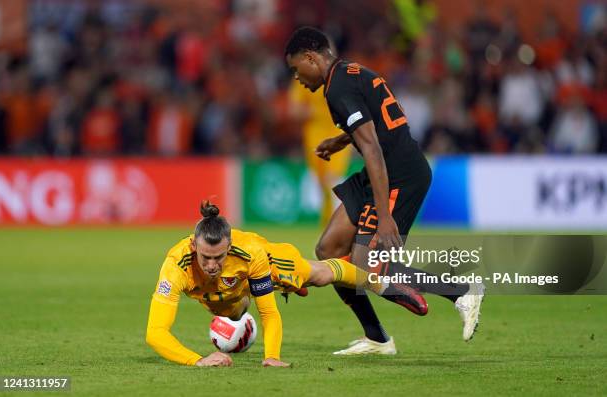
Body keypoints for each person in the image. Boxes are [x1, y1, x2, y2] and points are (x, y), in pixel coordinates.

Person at [284, 27, 485, 355]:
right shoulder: (352, 71)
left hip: (398, 176)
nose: (296, 78)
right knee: (330, 249)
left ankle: (462, 291)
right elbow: (376, 121)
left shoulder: (337, 90)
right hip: (381, 172)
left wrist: (385, 216)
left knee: (368, 265)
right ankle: (377, 338)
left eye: (296, 69)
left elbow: (373, 148)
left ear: (310, 57)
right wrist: (340, 140)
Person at [146, 202, 427, 366]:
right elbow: (155, 333)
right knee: (229, 310)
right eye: (205, 257)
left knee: (319, 275)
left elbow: (268, 312)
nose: (211, 265)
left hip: (271, 263)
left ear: (229, 247)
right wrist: (198, 360)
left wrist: (272, 356)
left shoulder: (252, 252)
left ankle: (385, 286)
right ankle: (256, 299)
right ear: (193, 245)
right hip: (227, 292)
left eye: (218, 257)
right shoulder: (175, 266)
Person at [288, 79, 352, 226]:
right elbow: (294, 110)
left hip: (338, 132)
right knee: (322, 182)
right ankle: (328, 224)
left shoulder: (342, 77)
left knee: (332, 178)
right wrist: (317, 111)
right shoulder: (303, 78)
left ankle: (340, 224)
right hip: (315, 136)